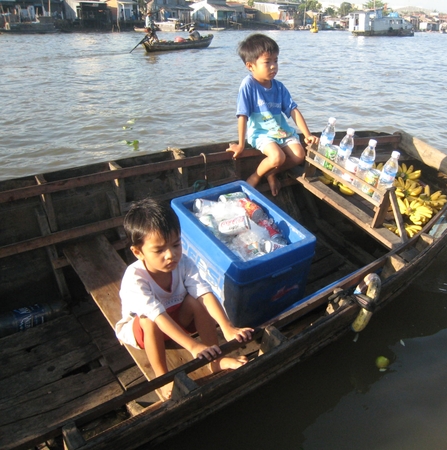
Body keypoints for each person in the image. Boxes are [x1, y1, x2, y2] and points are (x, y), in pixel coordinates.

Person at [115, 198, 253, 400]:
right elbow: (158, 317)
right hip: (145, 331)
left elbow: (204, 293)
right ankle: (162, 379)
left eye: (176, 244)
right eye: (159, 250)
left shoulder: (184, 263)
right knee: (148, 319)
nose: (170, 255)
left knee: (195, 301)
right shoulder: (135, 279)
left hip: (177, 320)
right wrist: (193, 346)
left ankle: (216, 361)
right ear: (138, 252)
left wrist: (227, 327)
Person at [227, 33, 318, 197]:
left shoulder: (279, 87)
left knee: (299, 156)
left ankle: (271, 173)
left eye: (275, 61)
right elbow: (242, 115)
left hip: (280, 131)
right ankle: (256, 175)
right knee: (277, 157)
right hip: (261, 133)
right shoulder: (248, 85)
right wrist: (241, 145)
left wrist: (307, 134)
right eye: (267, 62)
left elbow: (293, 110)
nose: (273, 66)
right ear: (250, 66)